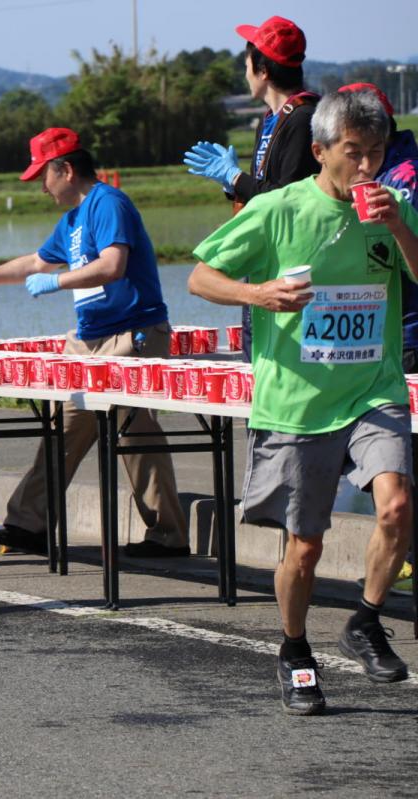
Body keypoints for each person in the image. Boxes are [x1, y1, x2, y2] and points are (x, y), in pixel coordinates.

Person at [188, 90, 418, 715]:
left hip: (375, 388)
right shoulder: (276, 210)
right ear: (319, 152)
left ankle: (366, 620)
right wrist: (259, 294)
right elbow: (199, 276)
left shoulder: (392, 209)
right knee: (306, 546)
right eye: (354, 154)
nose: (369, 167)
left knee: (397, 506)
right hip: (299, 402)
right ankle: (294, 651)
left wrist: (396, 224)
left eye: (377, 153)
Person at [0, 127, 189, 559]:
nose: (41, 187)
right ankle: (28, 525)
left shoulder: (109, 203)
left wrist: (57, 281)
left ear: (66, 170)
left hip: (133, 334)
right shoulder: (71, 219)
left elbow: (112, 265)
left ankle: (168, 534)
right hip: (89, 340)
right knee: (61, 428)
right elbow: (35, 261)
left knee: (133, 431)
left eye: (42, 176)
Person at [184, 15, 319, 362]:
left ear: (262, 70)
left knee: (279, 360)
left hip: (290, 268)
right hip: (262, 262)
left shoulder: (304, 119)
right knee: (256, 360)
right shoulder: (270, 120)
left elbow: (285, 197)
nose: (244, 72)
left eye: (246, 63)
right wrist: (233, 187)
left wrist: (234, 177)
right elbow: (264, 191)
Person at [340, 82, 418, 596]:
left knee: (405, 469)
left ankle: (405, 559)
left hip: (405, 334)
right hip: (382, 336)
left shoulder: (401, 179)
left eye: (367, 142)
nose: (361, 158)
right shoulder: (384, 169)